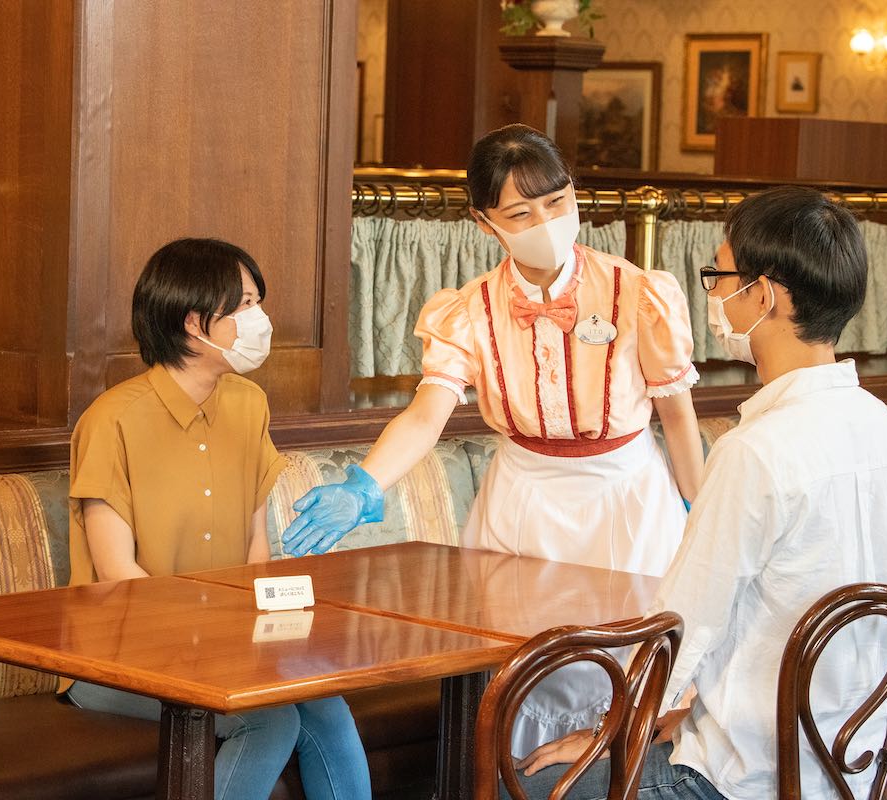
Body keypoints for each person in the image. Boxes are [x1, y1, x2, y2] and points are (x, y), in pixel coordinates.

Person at [282, 124, 705, 756]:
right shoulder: (468, 309)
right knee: (518, 676)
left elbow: (678, 417)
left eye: (557, 202)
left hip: (627, 500)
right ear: (484, 223)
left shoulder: (639, 293)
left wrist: (702, 514)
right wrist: (366, 483)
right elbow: (427, 415)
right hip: (521, 501)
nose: (546, 222)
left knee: (624, 673)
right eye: (521, 213)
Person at [511, 186, 887, 799]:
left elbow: (683, 626)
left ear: (764, 294)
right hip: (850, 765)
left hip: (742, 778)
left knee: (521, 779)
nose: (714, 294)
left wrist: (607, 732)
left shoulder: (756, 451)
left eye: (719, 276)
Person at [65, 238, 370, 800]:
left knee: (324, 702)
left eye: (258, 302)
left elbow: (256, 546)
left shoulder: (248, 403)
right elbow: (116, 574)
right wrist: (212, 640)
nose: (260, 319)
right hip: (116, 656)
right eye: (245, 304)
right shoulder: (112, 420)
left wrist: (258, 637)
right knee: (269, 719)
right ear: (192, 322)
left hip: (227, 645)